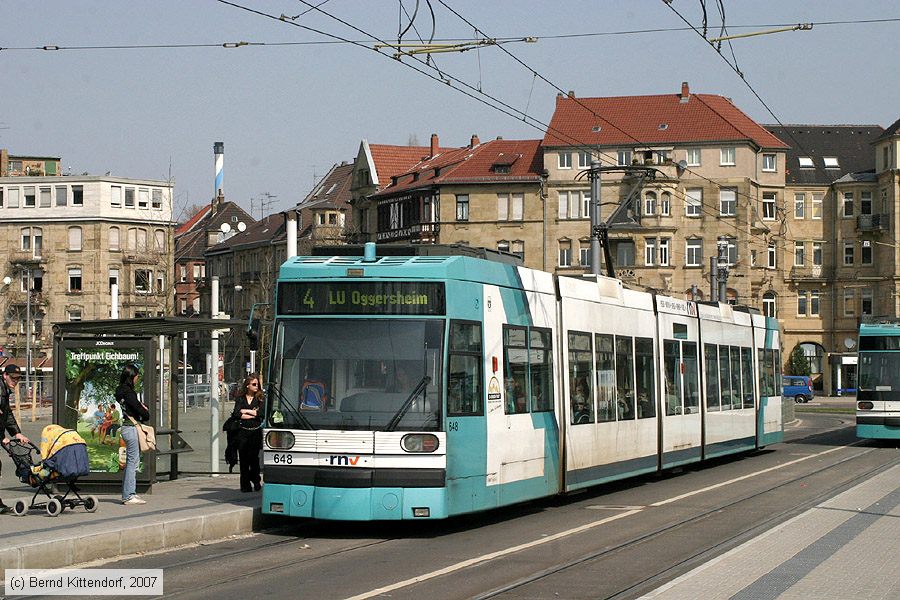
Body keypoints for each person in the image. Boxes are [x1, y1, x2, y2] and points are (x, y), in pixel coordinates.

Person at [115, 364, 150, 505]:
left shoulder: (120, 391)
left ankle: (130, 492)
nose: (137, 379)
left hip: (126, 427)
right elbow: (140, 411)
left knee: (132, 461)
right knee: (132, 462)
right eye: (136, 376)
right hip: (131, 428)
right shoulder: (128, 392)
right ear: (131, 377)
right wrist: (144, 409)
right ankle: (129, 495)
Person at [1, 364, 30, 514]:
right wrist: (2, 437)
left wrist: (16, 433)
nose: (15, 381)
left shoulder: (4, 390)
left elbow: (7, 414)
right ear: (5, 375)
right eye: (13, 378)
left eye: (18, 379)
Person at [232, 373, 263, 492]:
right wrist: (252, 414)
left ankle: (256, 480)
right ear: (247, 386)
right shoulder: (240, 398)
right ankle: (245, 485)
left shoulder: (260, 398)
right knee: (244, 460)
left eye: (257, 384)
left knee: (254, 459)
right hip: (242, 433)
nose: (256, 386)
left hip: (255, 432)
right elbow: (236, 414)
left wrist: (246, 411)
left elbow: (261, 413)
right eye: (254, 384)